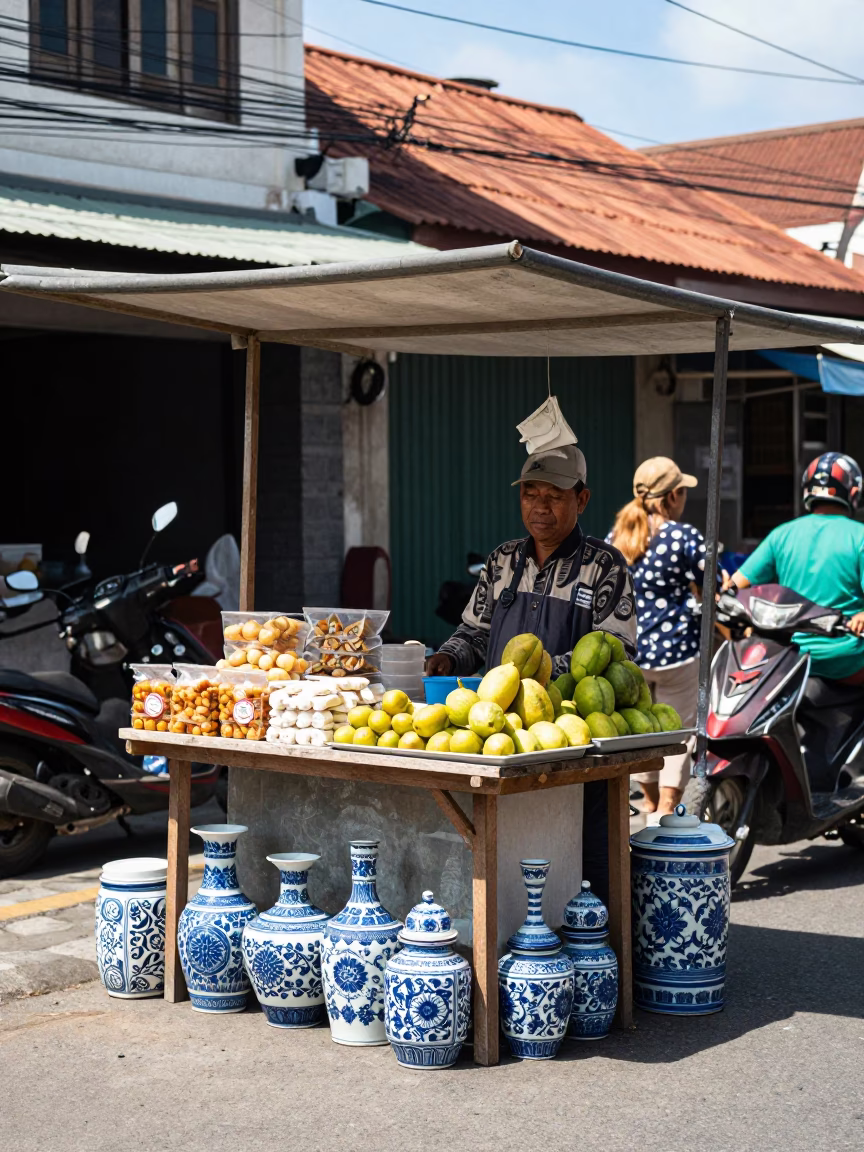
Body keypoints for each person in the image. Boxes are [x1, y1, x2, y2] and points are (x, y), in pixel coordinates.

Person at [426, 443, 637, 902]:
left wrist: (535, 675)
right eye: (530, 493)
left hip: (572, 736)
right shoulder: (502, 561)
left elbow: (619, 649)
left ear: (582, 500)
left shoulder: (605, 566)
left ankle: (596, 956)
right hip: (505, 733)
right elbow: (474, 631)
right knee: (510, 858)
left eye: (555, 496)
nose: (540, 506)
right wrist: (450, 656)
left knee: (584, 859)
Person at [608, 456, 709, 818]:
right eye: (682, 491)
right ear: (672, 497)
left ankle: (649, 802)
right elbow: (713, 585)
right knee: (679, 734)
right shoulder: (683, 537)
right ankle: (666, 808)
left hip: (632, 656)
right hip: (677, 655)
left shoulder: (617, 536)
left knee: (644, 732)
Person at [726, 452, 864, 681]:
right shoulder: (859, 537)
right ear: (853, 492)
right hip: (847, 662)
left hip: (790, 657)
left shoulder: (781, 535)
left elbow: (733, 587)